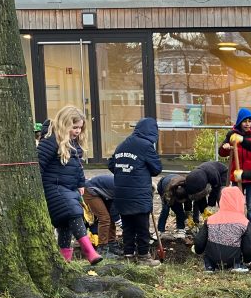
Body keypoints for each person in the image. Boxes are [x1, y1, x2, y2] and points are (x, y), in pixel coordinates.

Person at [37, 106, 102, 265]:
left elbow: (78, 167)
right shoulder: (51, 141)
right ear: (64, 124)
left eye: (80, 127)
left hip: (70, 189)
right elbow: (38, 165)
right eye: (74, 127)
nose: (78, 131)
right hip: (54, 188)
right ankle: (88, 250)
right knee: (74, 213)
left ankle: (65, 261)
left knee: (65, 226)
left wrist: (81, 184)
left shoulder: (74, 144)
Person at [109, 117, 163, 267]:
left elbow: (111, 165)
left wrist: (125, 172)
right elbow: (157, 169)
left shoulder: (121, 145)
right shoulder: (146, 146)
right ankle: (144, 257)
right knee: (142, 227)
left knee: (127, 227)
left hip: (121, 194)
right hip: (139, 194)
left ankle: (128, 255)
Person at [194, 187, 251, 273]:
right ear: (240, 201)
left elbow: (199, 241)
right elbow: (249, 247)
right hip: (233, 258)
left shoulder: (210, 220)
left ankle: (209, 266)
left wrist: (198, 250)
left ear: (221, 200)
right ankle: (237, 265)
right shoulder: (244, 222)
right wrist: (247, 259)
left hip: (212, 258)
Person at [220, 108, 251, 230]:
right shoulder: (232, 135)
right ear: (239, 122)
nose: (248, 124)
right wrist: (225, 147)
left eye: (250, 121)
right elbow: (222, 152)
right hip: (238, 176)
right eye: (245, 121)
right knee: (237, 204)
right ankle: (238, 227)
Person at [83, 174, 121, 259]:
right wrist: (122, 224)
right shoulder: (122, 189)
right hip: (90, 191)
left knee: (110, 218)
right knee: (104, 218)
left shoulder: (125, 187)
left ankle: (112, 245)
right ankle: (102, 249)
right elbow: (114, 211)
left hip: (103, 192)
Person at [156, 173, 196, 237]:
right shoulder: (168, 192)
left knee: (179, 208)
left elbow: (188, 205)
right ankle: (160, 230)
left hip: (176, 184)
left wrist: (188, 216)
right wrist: (184, 218)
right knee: (165, 209)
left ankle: (181, 228)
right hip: (163, 186)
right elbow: (171, 205)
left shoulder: (188, 190)